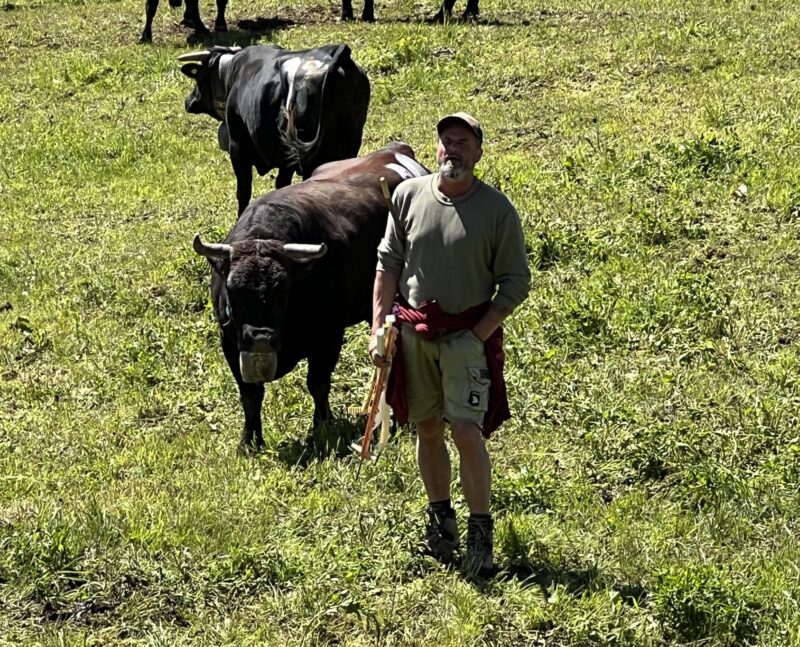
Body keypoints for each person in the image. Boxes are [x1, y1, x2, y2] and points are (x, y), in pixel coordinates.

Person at [370, 112, 531, 577]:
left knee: (466, 430)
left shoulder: (496, 210)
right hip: (413, 333)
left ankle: (481, 536)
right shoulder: (407, 196)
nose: (452, 150)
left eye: (462, 143)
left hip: (466, 338)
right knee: (426, 428)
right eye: (445, 142)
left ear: (478, 153)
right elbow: (388, 265)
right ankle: (440, 523)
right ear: (435, 149)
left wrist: (478, 334)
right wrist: (379, 327)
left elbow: (516, 282)